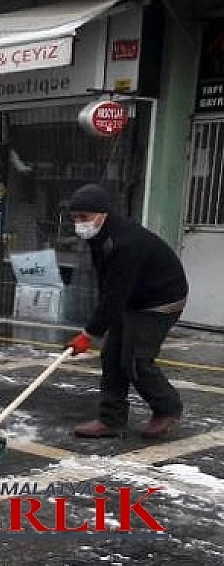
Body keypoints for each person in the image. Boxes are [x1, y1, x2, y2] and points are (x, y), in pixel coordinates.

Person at [63, 184, 187, 439]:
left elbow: (116, 293)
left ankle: (167, 408)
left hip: (161, 299)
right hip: (133, 296)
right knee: (111, 355)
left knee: (135, 359)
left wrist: (88, 334)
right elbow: (109, 285)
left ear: (102, 214)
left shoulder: (126, 242)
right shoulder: (99, 236)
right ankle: (111, 420)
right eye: (75, 218)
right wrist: (100, 324)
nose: (79, 224)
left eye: (84, 218)